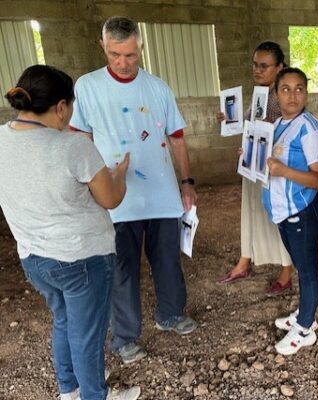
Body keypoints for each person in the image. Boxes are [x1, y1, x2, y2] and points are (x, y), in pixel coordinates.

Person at [0, 65, 140, 400]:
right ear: (61, 106)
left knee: (65, 321)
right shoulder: (73, 147)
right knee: (87, 336)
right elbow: (111, 198)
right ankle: (95, 395)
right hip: (81, 259)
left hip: (34, 258)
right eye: (71, 107)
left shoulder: (2, 137)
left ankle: (69, 389)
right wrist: (118, 173)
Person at [70, 16, 198, 365]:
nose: (124, 63)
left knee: (167, 261)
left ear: (140, 47)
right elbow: (79, 140)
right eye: (115, 55)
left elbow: (177, 138)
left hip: (161, 194)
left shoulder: (157, 87)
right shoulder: (87, 87)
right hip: (114, 196)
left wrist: (186, 182)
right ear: (103, 47)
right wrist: (87, 186)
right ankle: (125, 337)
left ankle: (170, 314)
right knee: (121, 269)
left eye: (130, 55)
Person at [216, 41, 295, 297]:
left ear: (279, 67)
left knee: (276, 217)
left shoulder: (284, 94)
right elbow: (251, 121)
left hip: (273, 167)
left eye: (264, 66)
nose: (257, 70)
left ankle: (286, 271)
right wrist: (231, 120)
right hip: (252, 163)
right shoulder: (259, 92)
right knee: (251, 211)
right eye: (255, 65)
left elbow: (287, 132)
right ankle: (245, 261)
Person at [263, 67, 318, 355]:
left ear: (306, 92)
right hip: (285, 211)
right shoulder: (277, 124)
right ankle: (304, 312)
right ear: (276, 94)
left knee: (307, 270)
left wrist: (284, 171)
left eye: (299, 88)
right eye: (285, 89)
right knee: (301, 266)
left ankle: (304, 328)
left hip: (303, 210)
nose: (292, 95)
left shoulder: (309, 128)